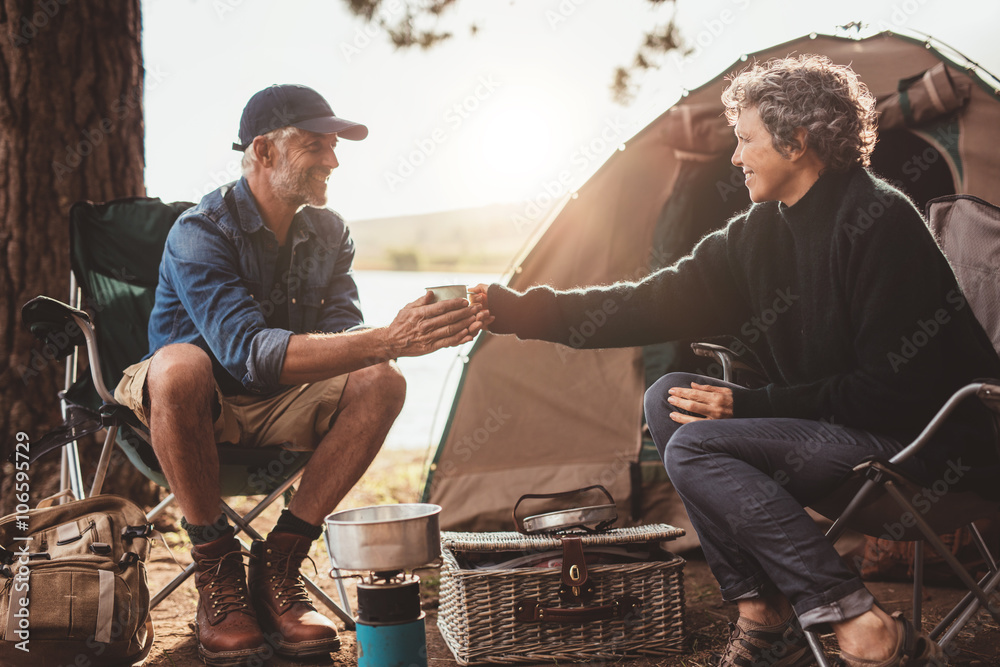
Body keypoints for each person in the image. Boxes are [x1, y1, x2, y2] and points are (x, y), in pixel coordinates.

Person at [471, 55, 1000, 667]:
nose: (735, 156)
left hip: (927, 454)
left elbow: (893, 390)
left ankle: (858, 618)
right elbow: (652, 301)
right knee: (666, 397)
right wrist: (519, 312)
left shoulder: (880, 221)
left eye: (746, 138)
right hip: (840, 440)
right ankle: (763, 607)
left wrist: (749, 405)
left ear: (796, 142)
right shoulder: (758, 234)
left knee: (695, 446)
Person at [113, 84, 483, 666]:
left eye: (334, 147)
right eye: (316, 146)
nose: (333, 161)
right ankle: (216, 568)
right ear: (263, 151)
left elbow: (349, 341)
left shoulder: (330, 232)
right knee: (182, 364)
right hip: (192, 405)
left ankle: (280, 561)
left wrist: (413, 337)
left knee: (382, 379)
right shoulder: (200, 230)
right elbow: (246, 352)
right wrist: (389, 336)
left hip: (281, 400)